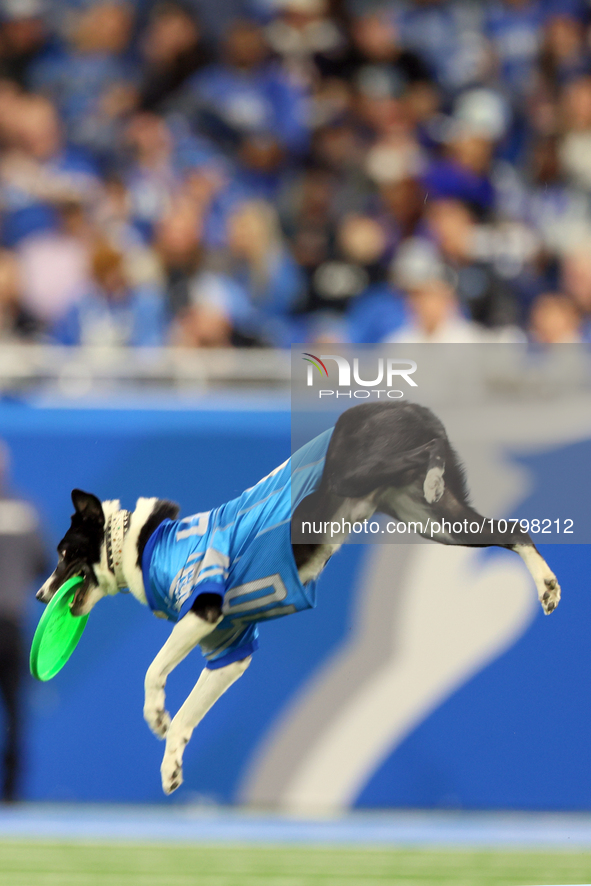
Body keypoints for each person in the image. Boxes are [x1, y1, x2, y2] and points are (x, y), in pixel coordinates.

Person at [0, 440, 46, 800]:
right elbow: (42, 565)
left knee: (15, 709)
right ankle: (12, 793)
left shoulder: (25, 513)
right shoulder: (25, 513)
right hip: (12, 622)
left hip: (10, 621)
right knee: (15, 709)